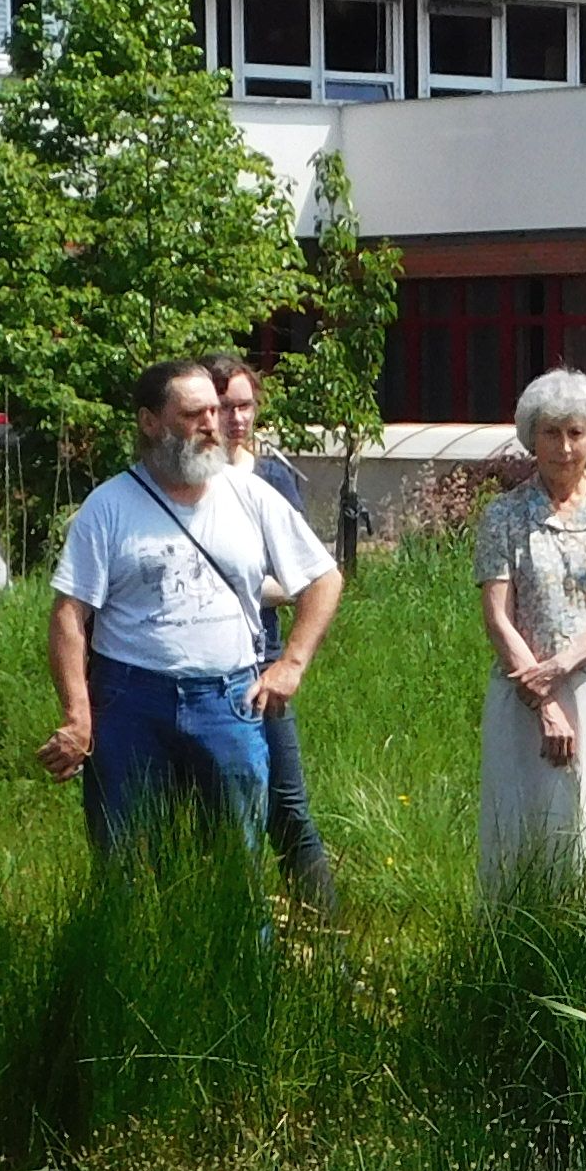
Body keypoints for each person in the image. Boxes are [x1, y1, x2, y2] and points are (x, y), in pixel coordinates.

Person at [40, 355, 342, 860]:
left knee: (235, 864)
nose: (211, 425)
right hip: (131, 702)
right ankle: (130, 942)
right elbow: (70, 614)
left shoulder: (250, 494)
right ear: (150, 422)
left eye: (213, 412)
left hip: (229, 702)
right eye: (192, 415)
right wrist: (78, 716)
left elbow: (324, 577)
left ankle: (240, 943)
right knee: (126, 860)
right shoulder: (108, 506)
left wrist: (291, 662)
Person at [471, 370, 586, 896]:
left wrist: (561, 666)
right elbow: (497, 616)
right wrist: (544, 696)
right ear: (531, 437)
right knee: (526, 828)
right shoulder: (503, 516)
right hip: (523, 696)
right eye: (551, 433)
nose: (564, 447)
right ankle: (518, 953)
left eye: (575, 432)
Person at [209, 352, 338, 895]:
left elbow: (303, 574)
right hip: (197, 661)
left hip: (262, 654)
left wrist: (237, 583)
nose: (238, 419)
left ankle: (323, 931)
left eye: (246, 405)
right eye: (225, 407)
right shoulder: (178, 478)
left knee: (287, 801)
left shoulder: (273, 477)